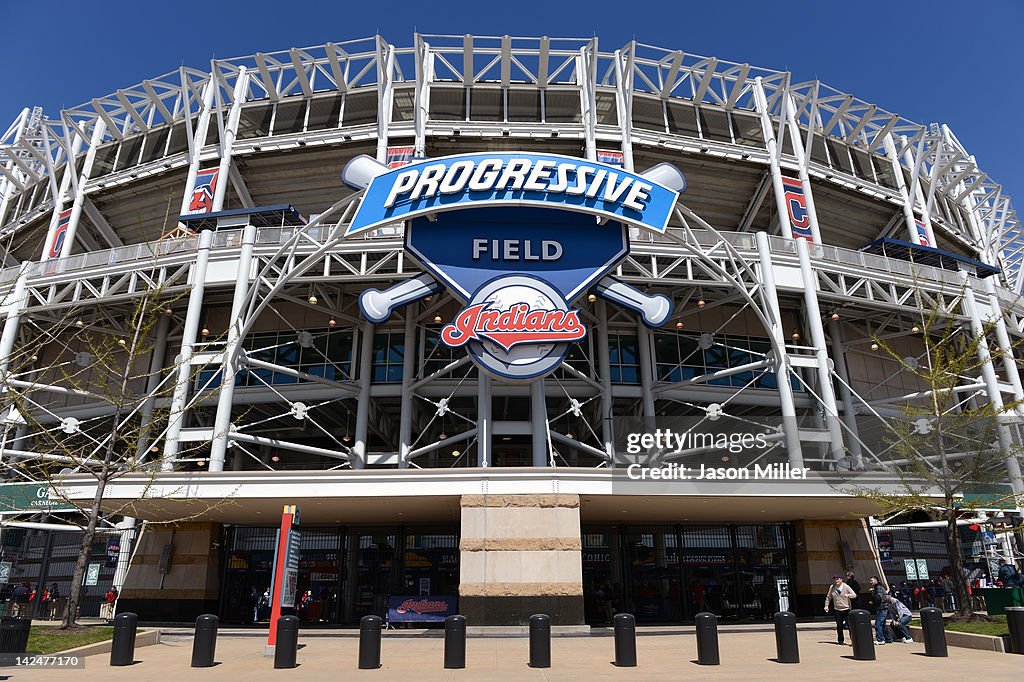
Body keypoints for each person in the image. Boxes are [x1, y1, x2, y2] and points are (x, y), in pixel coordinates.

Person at [824, 573, 857, 645]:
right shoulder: (832, 587)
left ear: (841, 579)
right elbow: (828, 597)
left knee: (850, 626)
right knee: (839, 625)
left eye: (838, 579)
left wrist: (848, 595)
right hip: (837, 609)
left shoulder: (846, 587)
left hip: (846, 609)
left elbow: (854, 595)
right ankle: (840, 640)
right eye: (835, 579)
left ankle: (853, 641)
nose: (836, 581)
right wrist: (826, 606)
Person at [867, 576, 892, 645]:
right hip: (881, 608)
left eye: (872, 580)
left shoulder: (878, 588)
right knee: (883, 624)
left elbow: (879, 598)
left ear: (876, 580)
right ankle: (888, 638)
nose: (871, 582)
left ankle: (880, 639)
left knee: (878, 624)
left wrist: (874, 601)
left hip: (882, 608)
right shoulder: (877, 588)